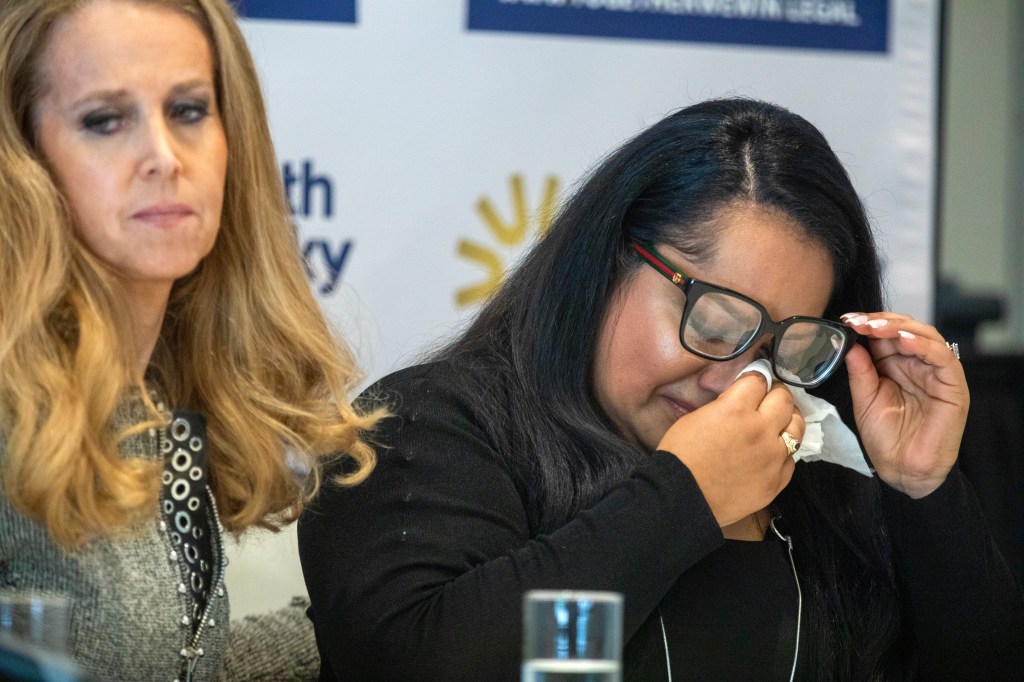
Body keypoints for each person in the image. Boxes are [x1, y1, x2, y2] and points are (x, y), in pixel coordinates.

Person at [298, 98, 1024, 681]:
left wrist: (923, 491)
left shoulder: (812, 476)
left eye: (779, 344)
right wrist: (686, 497)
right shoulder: (428, 429)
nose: (734, 376)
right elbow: (424, 660)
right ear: (608, 258)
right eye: (714, 317)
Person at [0, 0, 379, 680]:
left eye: (188, 111)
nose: (163, 157)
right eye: (104, 121)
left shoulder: (157, 392)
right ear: (24, 156)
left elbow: (163, 662)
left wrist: (388, 618)